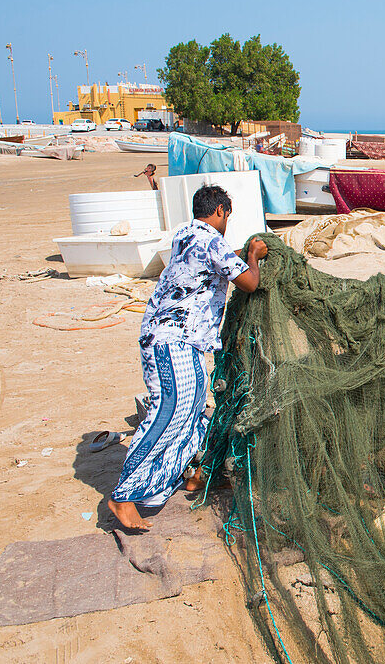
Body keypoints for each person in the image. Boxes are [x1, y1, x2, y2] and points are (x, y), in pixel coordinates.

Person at [108, 185, 267, 531]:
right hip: (172, 341)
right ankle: (123, 496)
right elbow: (250, 282)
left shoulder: (185, 235)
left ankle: (192, 475)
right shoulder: (211, 240)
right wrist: (253, 255)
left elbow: (220, 261)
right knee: (167, 413)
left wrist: (242, 252)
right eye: (228, 216)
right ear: (222, 211)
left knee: (191, 412)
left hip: (177, 340)